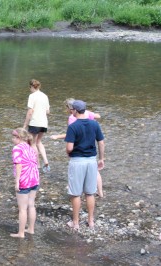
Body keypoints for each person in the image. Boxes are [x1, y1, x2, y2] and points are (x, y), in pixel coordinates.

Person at [51, 98, 104, 198]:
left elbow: (71, 134)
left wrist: (57, 136)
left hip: (78, 150)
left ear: (71, 108)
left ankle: (76, 189)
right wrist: (92, 117)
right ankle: (100, 192)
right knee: (95, 172)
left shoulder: (72, 118)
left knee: (77, 175)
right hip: (91, 152)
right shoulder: (88, 114)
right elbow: (98, 116)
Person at [65, 100, 105, 230]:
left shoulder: (73, 126)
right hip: (91, 160)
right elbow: (101, 142)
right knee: (90, 193)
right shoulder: (94, 124)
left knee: (76, 194)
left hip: (77, 161)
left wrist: (67, 152)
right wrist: (101, 158)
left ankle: (75, 223)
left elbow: (70, 148)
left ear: (75, 111)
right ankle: (91, 221)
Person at [10, 128, 40, 238]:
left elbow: (18, 165)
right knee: (31, 205)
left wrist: (17, 181)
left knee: (22, 209)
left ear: (19, 138)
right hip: (34, 178)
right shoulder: (30, 147)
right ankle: (31, 229)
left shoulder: (17, 148)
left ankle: (21, 233)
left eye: (13, 136)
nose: (12, 139)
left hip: (24, 180)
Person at [23, 79, 50, 173]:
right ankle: (46, 161)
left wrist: (25, 125)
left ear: (31, 87)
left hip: (35, 123)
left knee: (32, 143)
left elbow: (30, 112)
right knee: (39, 142)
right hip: (44, 123)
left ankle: (37, 164)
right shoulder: (45, 96)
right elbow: (48, 111)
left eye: (29, 87)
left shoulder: (32, 96)